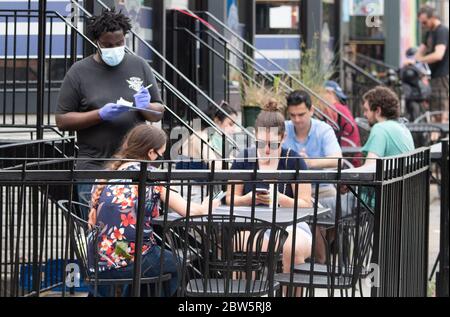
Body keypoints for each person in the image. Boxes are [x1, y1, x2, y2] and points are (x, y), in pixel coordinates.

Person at [87, 124, 220, 297]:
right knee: (178, 264)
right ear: (150, 153)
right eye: (160, 154)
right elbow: (189, 212)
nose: (159, 158)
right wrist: (208, 206)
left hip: (98, 262)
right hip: (131, 261)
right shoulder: (150, 176)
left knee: (158, 265)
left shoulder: (105, 176)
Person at [55, 9, 165, 207]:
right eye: (108, 45)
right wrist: (100, 114)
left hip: (133, 164)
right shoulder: (79, 72)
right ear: (97, 42)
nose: (114, 48)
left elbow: (157, 113)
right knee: (95, 225)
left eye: (119, 43)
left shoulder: (139, 65)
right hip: (94, 165)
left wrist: (146, 106)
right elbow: (62, 120)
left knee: (130, 227)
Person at [226, 99, 313, 277]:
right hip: (256, 226)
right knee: (240, 243)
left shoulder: (293, 160)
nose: (266, 149)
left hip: (292, 225)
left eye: (273, 144)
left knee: (291, 246)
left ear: (283, 138)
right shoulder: (245, 158)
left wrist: (279, 198)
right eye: (261, 142)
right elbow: (230, 198)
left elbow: (306, 204)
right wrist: (249, 199)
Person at [361, 86, 415, 166]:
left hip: (393, 177)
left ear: (378, 111)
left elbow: (369, 168)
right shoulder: (402, 127)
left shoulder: (380, 128)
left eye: (366, 110)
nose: (364, 114)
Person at [415, 5, 449, 123]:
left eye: (424, 22)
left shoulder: (442, 31)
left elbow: (438, 55)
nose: (423, 25)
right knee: (434, 110)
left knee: (440, 111)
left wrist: (421, 59)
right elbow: (419, 53)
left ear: (433, 17)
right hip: (433, 76)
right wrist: (416, 59)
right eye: (421, 23)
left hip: (442, 75)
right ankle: (437, 136)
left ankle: (443, 138)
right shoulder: (428, 33)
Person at [323, 81, 362, 166]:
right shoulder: (340, 108)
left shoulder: (333, 108)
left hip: (348, 158)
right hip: (352, 155)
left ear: (329, 93)